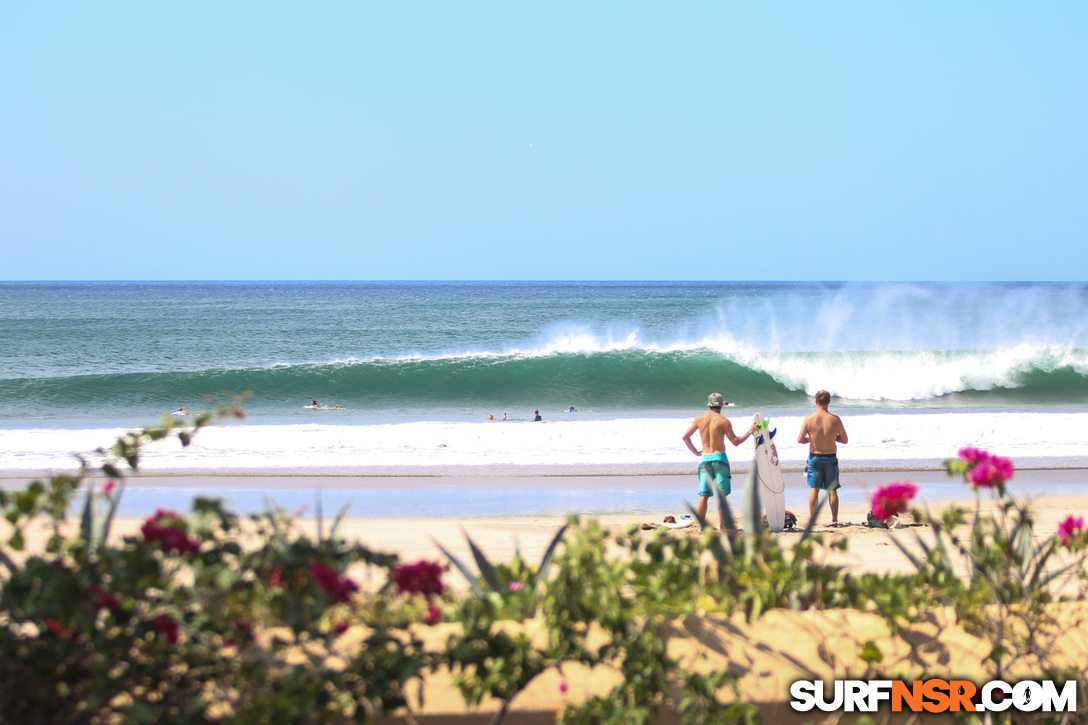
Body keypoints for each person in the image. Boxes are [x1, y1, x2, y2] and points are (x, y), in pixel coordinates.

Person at [681, 393, 756, 530]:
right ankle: (723, 527)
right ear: (721, 405)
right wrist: (750, 431)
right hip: (720, 459)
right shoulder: (723, 421)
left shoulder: (699, 419)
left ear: (709, 404)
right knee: (721, 497)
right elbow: (736, 441)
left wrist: (697, 452)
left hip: (705, 460)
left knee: (703, 496)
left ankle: (701, 527)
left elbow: (685, 437)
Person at [798, 389, 849, 525]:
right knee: (832, 490)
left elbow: (800, 439)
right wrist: (832, 437)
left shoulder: (809, 418)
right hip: (831, 458)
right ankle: (834, 520)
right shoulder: (835, 419)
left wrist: (812, 439)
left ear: (816, 402)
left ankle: (813, 521)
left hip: (815, 458)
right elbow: (844, 439)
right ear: (829, 402)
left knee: (814, 489)